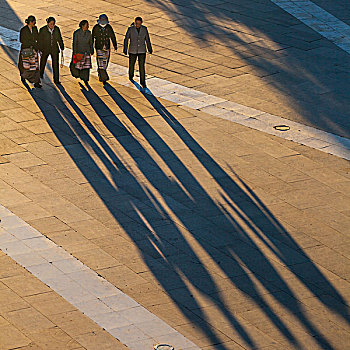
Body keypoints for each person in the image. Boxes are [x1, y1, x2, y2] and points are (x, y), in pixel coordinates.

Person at [123, 16, 153, 89]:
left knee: (141, 66)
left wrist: (149, 48)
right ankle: (131, 75)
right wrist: (125, 49)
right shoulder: (130, 29)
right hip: (132, 50)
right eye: (136, 23)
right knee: (131, 64)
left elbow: (147, 39)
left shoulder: (144, 29)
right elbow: (126, 39)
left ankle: (143, 82)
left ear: (141, 23)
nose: (138, 25)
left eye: (139, 24)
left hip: (141, 50)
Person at [92, 14, 117, 85]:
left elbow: (112, 36)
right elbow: (92, 38)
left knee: (105, 62)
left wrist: (115, 44)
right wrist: (91, 47)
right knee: (100, 63)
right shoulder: (96, 27)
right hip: (99, 47)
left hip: (107, 47)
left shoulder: (108, 27)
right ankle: (104, 77)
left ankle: (101, 73)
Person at [39, 17, 64, 84]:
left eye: (53, 24)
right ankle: (40, 74)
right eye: (51, 24)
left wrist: (61, 46)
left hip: (54, 49)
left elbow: (59, 38)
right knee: (43, 62)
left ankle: (56, 79)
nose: (52, 26)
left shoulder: (56, 29)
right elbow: (40, 40)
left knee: (55, 65)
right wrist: (40, 49)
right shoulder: (43, 30)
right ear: (48, 24)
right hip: (45, 49)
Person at [18, 15, 41, 88]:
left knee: (36, 66)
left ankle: (36, 81)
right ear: (30, 22)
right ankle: (24, 76)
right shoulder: (23, 30)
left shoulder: (35, 29)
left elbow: (37, 38)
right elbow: (22, 40)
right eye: (34, 22)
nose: (35, 23)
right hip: (26, 50)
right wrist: (31, 43)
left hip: (33, 50)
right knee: (26, 65)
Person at [71, 20, 93, 84]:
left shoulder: (89, 33)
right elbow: (75, 43)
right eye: (86, 25)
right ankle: (79, 75)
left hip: (86, 52)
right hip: (79, 52)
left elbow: (91, 42)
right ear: (82, 26)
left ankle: (85, 79)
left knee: (86, 67)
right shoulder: (76, 33)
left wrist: (91, 50)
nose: (88, 27)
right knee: (78, 66)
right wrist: (74, 52)